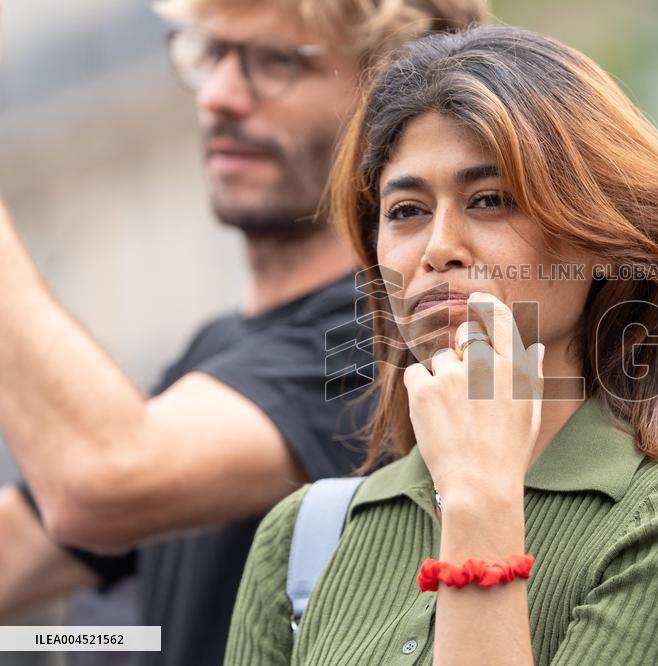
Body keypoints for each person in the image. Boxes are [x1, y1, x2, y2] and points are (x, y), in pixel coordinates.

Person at [225, 24, 658, 665]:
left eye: (490, 200)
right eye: (406, 211)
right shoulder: (304, 540)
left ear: (603, 241)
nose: (438, 248)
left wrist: (479, 497)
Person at [0, 0, 486, 664]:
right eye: (212, 53)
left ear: (393, 103)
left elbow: (98, 482)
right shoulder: (217, 350)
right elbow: (20, 553)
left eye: (275, 61)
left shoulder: (389, 339)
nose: (219, 96)